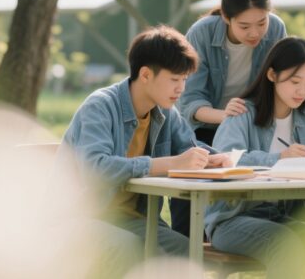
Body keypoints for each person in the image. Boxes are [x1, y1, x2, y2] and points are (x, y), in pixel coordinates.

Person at [61, 25, 230, 263]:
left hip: (132, 220)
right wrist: (167, 163)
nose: (181, 88)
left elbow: (188, 148)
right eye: (174, 79)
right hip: (79, 218)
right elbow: (95, 168)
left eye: (184, 79)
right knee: (127, 247)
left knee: (186, 252)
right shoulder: (99, 106)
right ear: (146, 75)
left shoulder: (165, 113)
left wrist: (211, 160)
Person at [206, 37, 305, 279]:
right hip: (233, 219)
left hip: (282, 217)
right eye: (295, 81)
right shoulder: (242, 112)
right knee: (285, 244)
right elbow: (225, 160)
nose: (302, 91)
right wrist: (279, 159)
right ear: (272, 75)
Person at [178, 0, 286, 145]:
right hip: (205, 128)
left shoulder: (276, 28)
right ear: (226, 18)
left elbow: (279, 85)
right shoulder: (202, 33)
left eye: (261, 23)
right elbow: (190, 101)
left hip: (253, 127)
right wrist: (227, 115)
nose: (254, 33)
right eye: (244, 26)